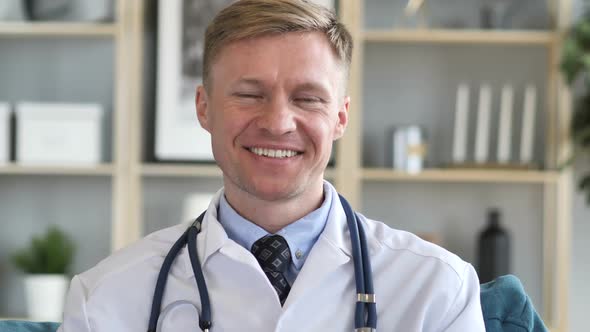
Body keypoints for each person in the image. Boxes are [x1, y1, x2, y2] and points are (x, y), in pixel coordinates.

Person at [58, 0, 485, 330]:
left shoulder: (437, 288)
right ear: (203, 107)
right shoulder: (104, 299)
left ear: (340, 117)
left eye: (307, 98)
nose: (278, 123)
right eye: (249, 94)